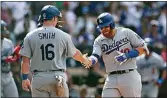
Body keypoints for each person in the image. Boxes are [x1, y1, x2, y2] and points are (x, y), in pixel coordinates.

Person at [19, 5, 90, 97]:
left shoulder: (30, 36)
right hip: (57, 77)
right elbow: (75, 53)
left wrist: (25, 79)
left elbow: (25, 61)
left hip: (38, 78)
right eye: (57, 17)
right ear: (53, 18)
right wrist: (84, 60)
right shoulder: (63, 35)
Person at [84, 12, 149, 97]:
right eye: (101, 28)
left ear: (112, 24)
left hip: (129, 75)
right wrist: (90, 60)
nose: (104, 29)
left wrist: (127, 55)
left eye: (106, 26)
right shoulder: (98, 40)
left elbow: (144, 49)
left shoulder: (126, 32)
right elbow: (95, 55)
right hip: (111, 78)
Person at [1, 20, 19, 97]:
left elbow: (13, 58)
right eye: (2, 29)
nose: (4, 31)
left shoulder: (9, 43)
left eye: (4, 29)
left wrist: (15, 57)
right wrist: (4, 59)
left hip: (8, 75)